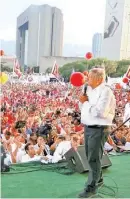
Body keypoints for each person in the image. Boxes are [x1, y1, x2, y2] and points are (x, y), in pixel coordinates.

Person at [78, 68, 116, 198]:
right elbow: (83, 109)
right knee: (90, 156)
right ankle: (98, 179)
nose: (87, 79)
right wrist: (83, 101)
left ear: (99, 79)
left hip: (100, 127)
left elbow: (100, 112)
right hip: (88, 126)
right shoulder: (88, 89)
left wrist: (86, 102)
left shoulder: (106, 92)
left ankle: (91, 188)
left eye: (90, 77)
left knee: (93, 158)